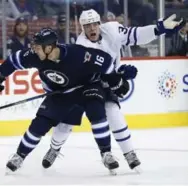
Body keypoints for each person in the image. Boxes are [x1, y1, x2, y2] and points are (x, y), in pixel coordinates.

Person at [42, 9, 185, 171]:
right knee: (65, 123)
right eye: (87, 26)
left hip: (105, 83)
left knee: (113, 112)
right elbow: (97, 73)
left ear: (99, 24)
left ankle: (129, 153)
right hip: (85, 85)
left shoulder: (113, 30)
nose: (91, 28)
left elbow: (135, 35)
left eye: (94, 24)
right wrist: (119, 74)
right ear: (82, 27)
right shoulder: (82, 46)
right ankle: (54, 149)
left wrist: (158, 29)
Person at [2, 28, 128, 173]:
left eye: (37, 47)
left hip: (85, 87)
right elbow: (12, 61)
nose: (34, 50)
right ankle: (19, 156)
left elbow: (105, 62)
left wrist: (115, 80)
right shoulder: (35, 56)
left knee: (96, 111)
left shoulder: (77, 54)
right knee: (39, 124)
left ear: (49, 48)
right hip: (60, 93)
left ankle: (106, 153)